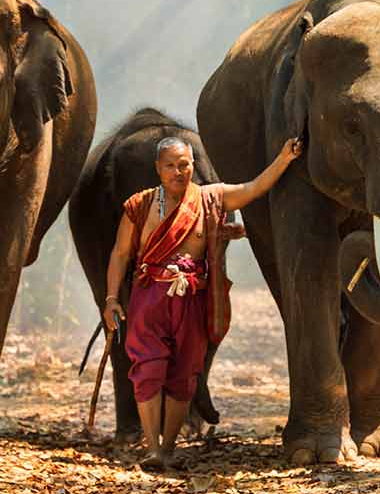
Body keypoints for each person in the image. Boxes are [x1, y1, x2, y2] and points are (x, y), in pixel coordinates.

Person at [101, 136, 302, 470]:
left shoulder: (211, 198)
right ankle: (151, 448)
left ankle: (167, 449)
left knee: (184, 374)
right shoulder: (140, 205)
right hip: (149, 297)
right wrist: (110, 300)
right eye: (171, 166)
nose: (179, 172)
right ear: (158, 169)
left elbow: (253, 188)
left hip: (191, 298)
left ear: (193, 165)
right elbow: (120, 253)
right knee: (147, 369)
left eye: (185, 164)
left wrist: (283, 159)